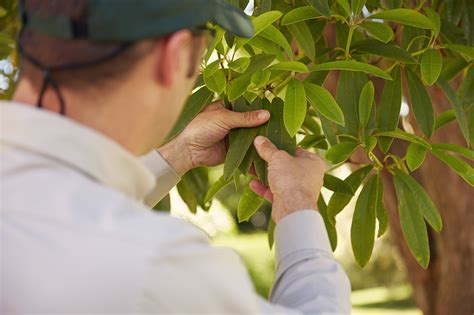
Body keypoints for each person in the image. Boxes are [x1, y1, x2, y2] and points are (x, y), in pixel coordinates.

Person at [1, 0, 351, 313]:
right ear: (177, 56)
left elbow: (69, 205)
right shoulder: (149, 265)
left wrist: (179, 153)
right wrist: (297, 202)